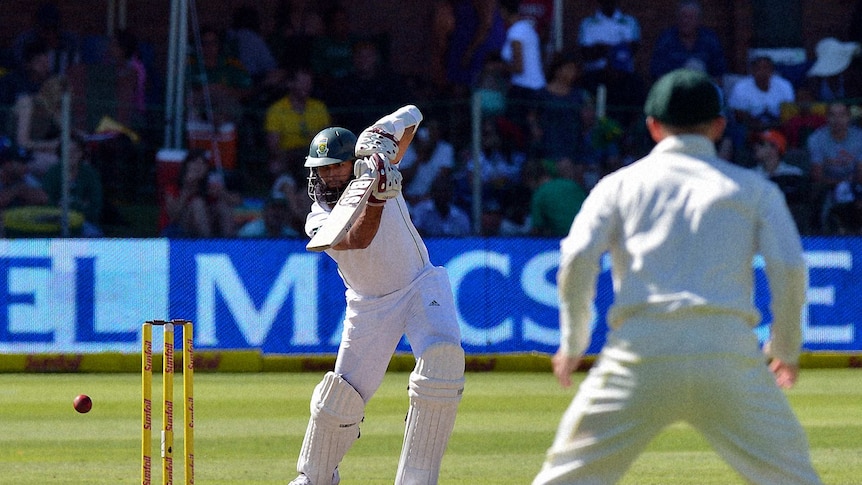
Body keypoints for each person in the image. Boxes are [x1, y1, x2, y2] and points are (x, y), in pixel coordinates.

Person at [533, 69, 823, 485]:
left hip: (638, 354)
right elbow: (790, 269)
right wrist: (786, 349)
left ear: (652, 126)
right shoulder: (755, 190)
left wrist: (574, 343)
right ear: (719, 125)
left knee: (565, 478)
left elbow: (578, 258)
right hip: (729, 354)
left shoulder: (618, 186)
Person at [289, 116, 464, 484]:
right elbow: (356, 239)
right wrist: (380, 197)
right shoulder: (317, 217)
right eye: (321, 170)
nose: (328, 176)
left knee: (442, 364)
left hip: (420, 286)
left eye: (336, 166)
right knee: (339, 397)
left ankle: (416, 480)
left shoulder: (377, 169)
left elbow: (413, 116)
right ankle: (314, 478)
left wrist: (381, 140)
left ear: (353, 163)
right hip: (369, 305)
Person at [805, 101, 862, 233]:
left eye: (842, 115)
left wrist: (850, 185)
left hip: (856, 184)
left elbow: (860, 173)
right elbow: (817, 175)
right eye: (832, 115)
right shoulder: (816, 139)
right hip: (827, 186)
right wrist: (841, 183)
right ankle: (824, 235)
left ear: (848, 117)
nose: (837, 120)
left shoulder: (859, 137)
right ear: (827, 118)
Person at [161, 149, 241, 238]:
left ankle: (230, 243)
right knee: (197, 203)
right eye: (194, 162)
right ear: (187, 166)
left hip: (208, 225)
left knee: (222, 205)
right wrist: (187, 190)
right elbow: (173, 217)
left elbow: (238, 201)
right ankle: (207, 243)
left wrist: (222, 193)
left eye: (202, 163)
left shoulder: (209, 185)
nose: (198, 166)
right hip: (178, 228)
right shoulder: (173, 187)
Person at [265, 65, 331, 169]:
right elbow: (273, 146)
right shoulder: (276, 110)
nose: (306, 86)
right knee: (275, 165)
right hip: (287, 155)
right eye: (302, 82)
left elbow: (328, 139)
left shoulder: (319, 107)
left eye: (308, 83)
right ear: (290, 84)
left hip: (313, 154)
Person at [498, 0, 546, 134]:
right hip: (535, 87)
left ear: (504, 11)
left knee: (516, 131)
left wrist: (496, 67)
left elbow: (519, 67)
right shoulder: (527, 28)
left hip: (524, 90)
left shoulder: (516, 32)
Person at [40, 136, 104, 237]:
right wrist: (78, 205)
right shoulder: (53, 172)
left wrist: (72, 208)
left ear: (81, 153)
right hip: (56, 223)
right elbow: (46, 201)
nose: (71, 155)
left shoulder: (90, 174)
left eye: (75, 151)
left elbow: (95, 205)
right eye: (67, 151)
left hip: (84, 222)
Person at [649, 0, 727, 82]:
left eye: (690, 18)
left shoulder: (710, 39)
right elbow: (657, 74)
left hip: (705, 87)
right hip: (674, 88)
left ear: (699, 20)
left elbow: (719, 74)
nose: (685, 21)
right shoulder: (666, 39)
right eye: (682, 17)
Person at [577, 0, 641, 74]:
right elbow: (586, 53)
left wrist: (601, 48)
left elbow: (632, 49)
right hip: (595, 73)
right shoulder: (587, 23)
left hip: (623, 73)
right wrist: (617, 48)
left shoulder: (630, 22)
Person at [528, 157, 586, 237]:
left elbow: (537, 228)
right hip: (590, 234)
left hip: (563, 239)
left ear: (530, 180)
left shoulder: (539, 194)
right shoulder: (572, 184)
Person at [0, 137, 48, 212]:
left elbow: (43, 199)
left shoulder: (26, 177)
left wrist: (21, 190)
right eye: (21, 163)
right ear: (7, 164)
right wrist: (16, 190)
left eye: (25, 162)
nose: (25, 166)